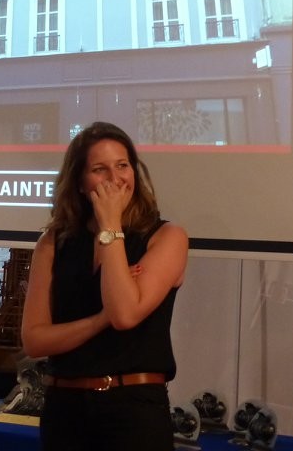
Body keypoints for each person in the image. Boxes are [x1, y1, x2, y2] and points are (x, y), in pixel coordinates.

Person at [21, 121, 189, 451]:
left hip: (134, 410)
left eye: (122, 165)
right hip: (65, 409)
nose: (115, 178)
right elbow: (35, 340)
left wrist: (110, 225)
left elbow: (125, 315)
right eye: (100, 169)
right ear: (80, 182)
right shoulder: (53, 242)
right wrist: (100, 319)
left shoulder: (167, 237)